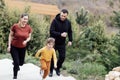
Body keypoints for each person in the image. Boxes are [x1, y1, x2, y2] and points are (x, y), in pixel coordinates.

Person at [7, 13, 32, 79]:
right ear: (21, 18)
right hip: (14, 46)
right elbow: (10, 35)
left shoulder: (28, 27)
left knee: (21, 63)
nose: (25, 20)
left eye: (26, 19)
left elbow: (29, 37)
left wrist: (26, 41)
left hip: (22, 48)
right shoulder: (15, 26)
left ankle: (16, 64)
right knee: (17, 62)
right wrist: (9, 46)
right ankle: (15, 76)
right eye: (24, 19)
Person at [49, 9, 73, 77]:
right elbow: (51, 31)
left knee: (62, 57)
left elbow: (70, 31)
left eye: (64, 16)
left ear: (66, 16)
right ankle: (50, 70)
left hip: (62, 43)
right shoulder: (55, 21)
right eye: (62, 15)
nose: (63, 17)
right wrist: (60, 34)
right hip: (53, 42)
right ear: (60, 14)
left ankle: (57, 68)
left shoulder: (68, 22)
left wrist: (70, 40)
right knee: (52, 57)